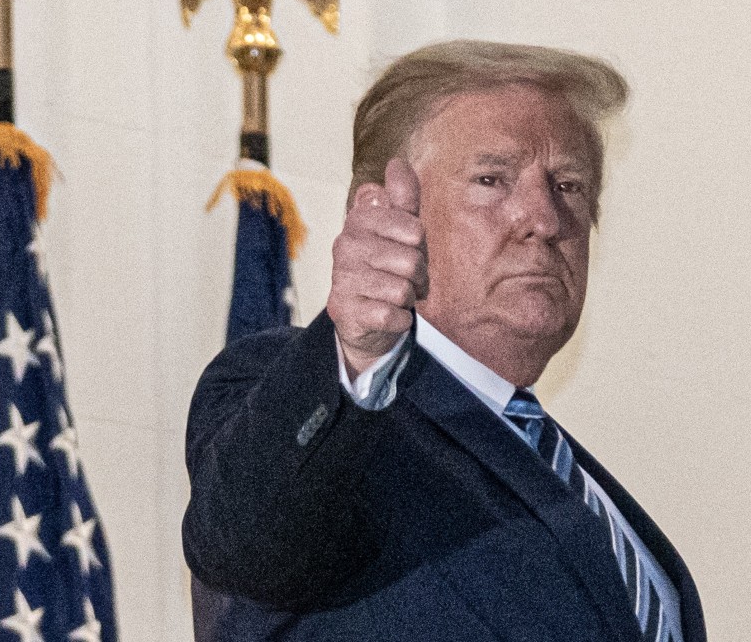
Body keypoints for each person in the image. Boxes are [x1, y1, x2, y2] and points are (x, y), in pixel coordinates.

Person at [183, 40, 706, 642]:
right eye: (491, 179)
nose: (543, 218)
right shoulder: (318, 395)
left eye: (569, 186)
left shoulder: (580, 487)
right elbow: (245, 545)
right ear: (383, 213)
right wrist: (354, 355)